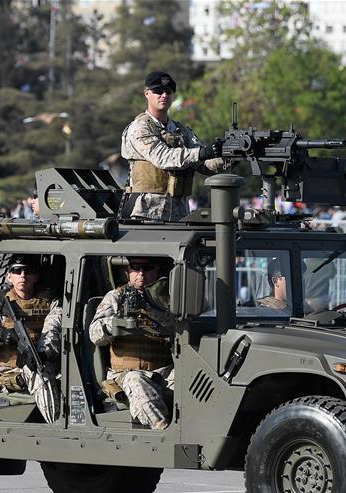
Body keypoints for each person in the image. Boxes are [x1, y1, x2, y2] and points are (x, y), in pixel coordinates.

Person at [0, 255, 62, 422]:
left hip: (42, 360)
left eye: (28, 271)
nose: (23, 275)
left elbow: (52, 329)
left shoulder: (50, 302)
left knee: (41, 369)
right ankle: (56, 426)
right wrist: (0, 335)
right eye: (17, 271)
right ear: (9, 276)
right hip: (12, 371)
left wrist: (42, 353)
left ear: (36, 277)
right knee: (39, 374)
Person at [121, 71, 225, 222]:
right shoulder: (140, 127)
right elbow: (163, 157)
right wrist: (203, 152)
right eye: (158, 91)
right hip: (147, 214)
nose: (164, 95)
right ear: (147, 94)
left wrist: (229, 156)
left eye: (168, 91)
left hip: (179, 214)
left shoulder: (181, 130)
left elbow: (204, 165)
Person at [88, 257, 175, 430]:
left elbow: (178, 327)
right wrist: (115, 323)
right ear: (127, 271)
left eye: (147, 268)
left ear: (157, 270)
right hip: (125, 375)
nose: (141, 273)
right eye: (135, 268)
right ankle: (163, 432)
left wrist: (152, 309)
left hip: (163, 373)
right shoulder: (115, 297)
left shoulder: (166, 299)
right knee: (136, 381)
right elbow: (94, 334)